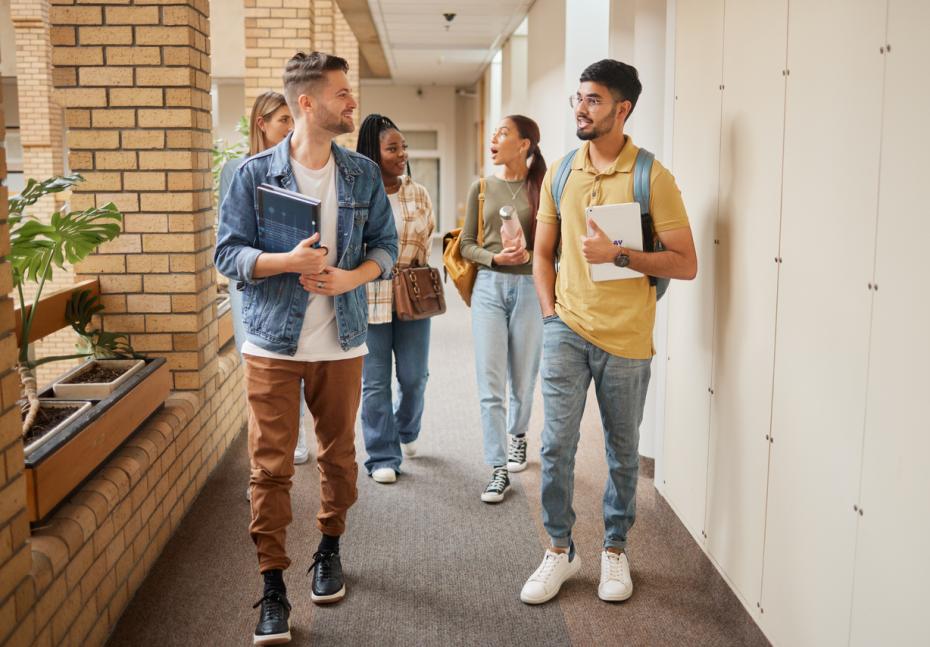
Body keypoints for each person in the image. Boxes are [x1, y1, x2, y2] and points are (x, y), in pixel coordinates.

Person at [215, 51, 397, 645]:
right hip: (271, 343)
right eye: (342, 93)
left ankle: (329, 548)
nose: (352, 103)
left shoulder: (363, 175)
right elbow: (227, 255)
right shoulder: (251, 175)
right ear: (308, 103)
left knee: (339, 459)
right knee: (269, 468)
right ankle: (272, 587)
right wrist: (283, 263)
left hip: (341, 343)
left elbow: (386, 248)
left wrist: (351, 276)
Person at [522, 59, 697, 606]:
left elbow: (685, 263)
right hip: (566, 329)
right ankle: (559, 549)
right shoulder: (562, 171)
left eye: (593, 100)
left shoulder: (652, 177)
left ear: (623, 109)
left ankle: (615, 549)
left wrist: (618, 255)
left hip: (626, 338)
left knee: (622, 452)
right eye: (578, 98)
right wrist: (550, 315)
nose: (580, 107)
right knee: (555, 447)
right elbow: (542, 254)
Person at [218, 92, 313, 500]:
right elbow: (229, 239)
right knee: (257, 364)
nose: (291, 128)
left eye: (294, 120)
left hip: (299, 282)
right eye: (282, 121)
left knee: (301, 357)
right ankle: (263, 467)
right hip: (253, 286)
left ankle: (298, 432)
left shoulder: (302, 166)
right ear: (261, 123)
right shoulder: (237, 171)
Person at [460, 115, 547, 503]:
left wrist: (531, 253)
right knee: (489, 382)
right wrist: (495, 259)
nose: (494, 139)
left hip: (531, 287)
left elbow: (555, 247)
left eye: (503, 133)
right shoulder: (481, 188)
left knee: (523, 378)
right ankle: (497, 468)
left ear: (525, 144)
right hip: (489, 288)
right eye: (493, 133)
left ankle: (518, 435)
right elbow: (465, 244)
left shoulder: (543, 188)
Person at [356, 114, 435, 484]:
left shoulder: (418, 192)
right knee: (374, 383)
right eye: (392, 148)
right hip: (369, 296)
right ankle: (382, 455)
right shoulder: (358, 193)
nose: (402, 154)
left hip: (413, 295)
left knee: (414, 376)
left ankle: (406, 430)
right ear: (374, 152)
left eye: (403, 147)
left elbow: (427, 240)